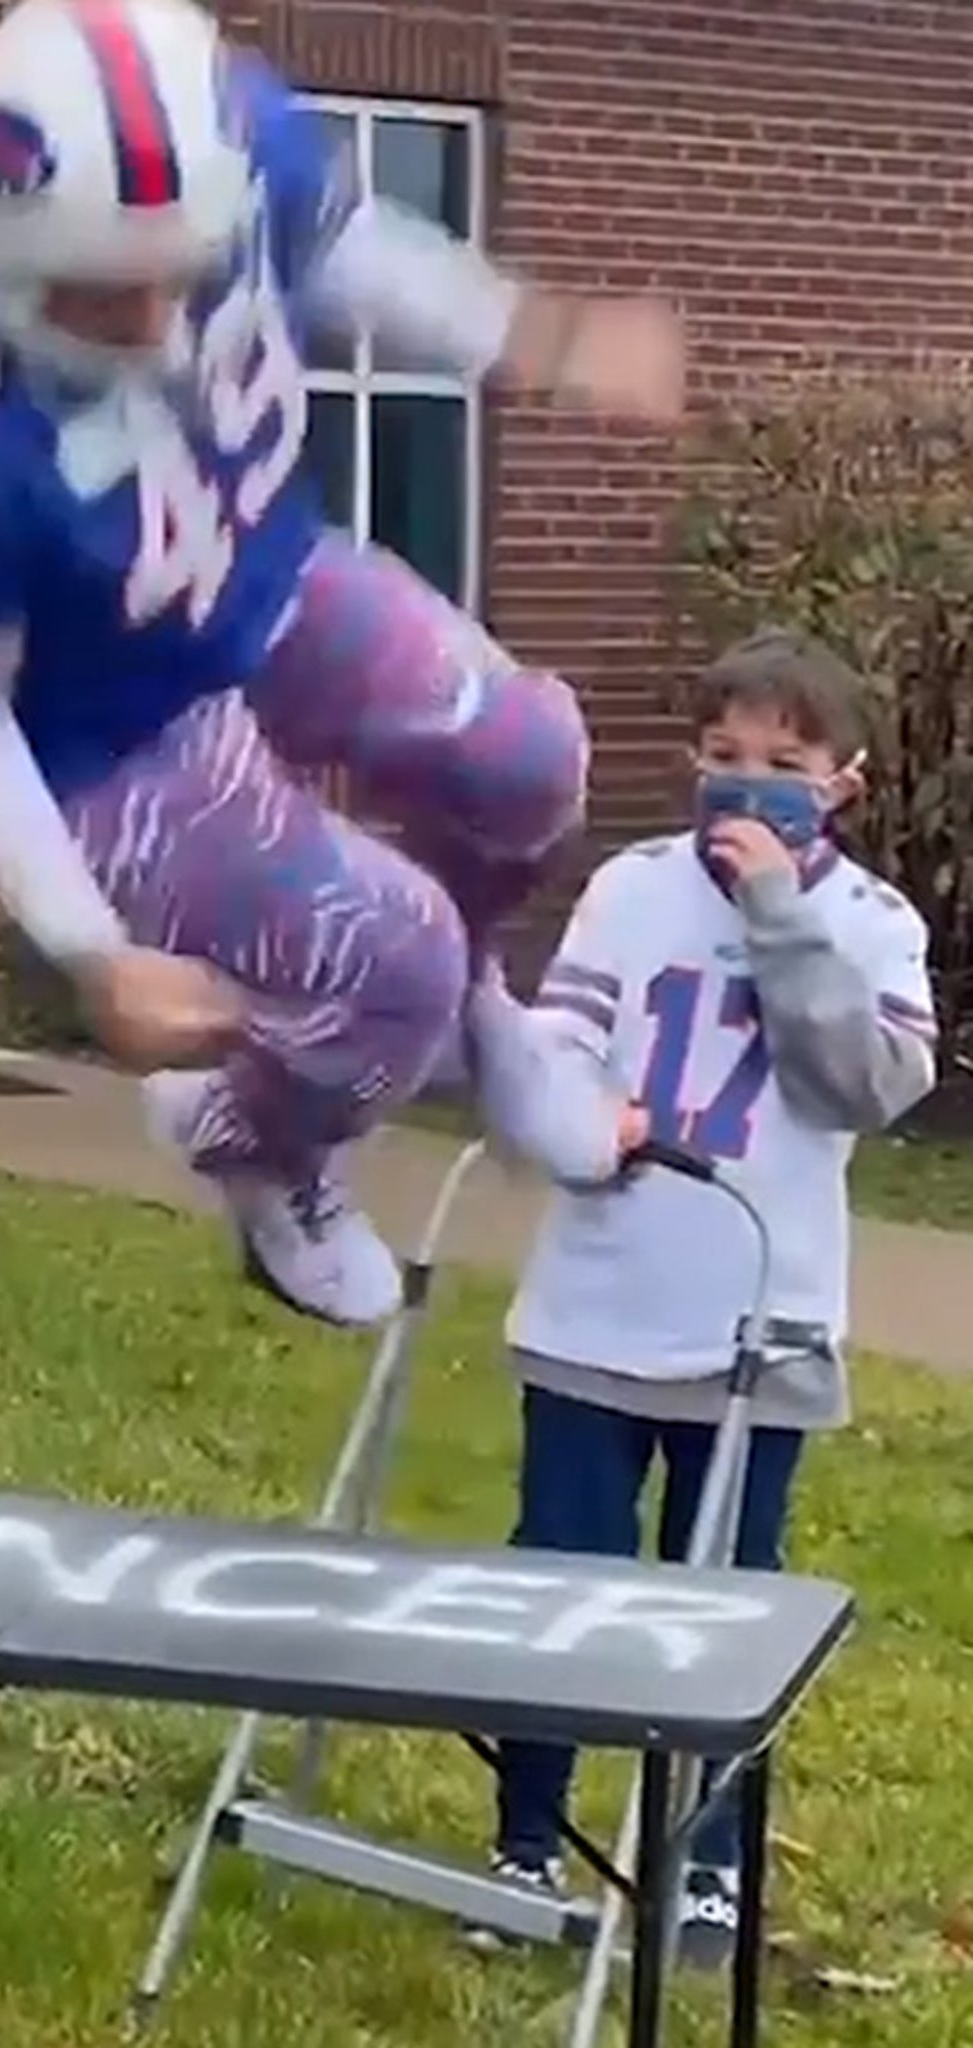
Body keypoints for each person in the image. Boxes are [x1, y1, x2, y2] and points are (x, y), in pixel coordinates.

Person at [0, 0, 685, 1330]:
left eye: (185, 270)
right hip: (107, 728)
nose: (160, 320)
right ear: (11, 238)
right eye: (110, 290)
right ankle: (264, 1149)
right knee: (392, 963)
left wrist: (533, 340)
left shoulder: (222, 128)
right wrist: (91, 956)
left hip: (260, 571)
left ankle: (484, 1014)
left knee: (527, 761)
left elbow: (342, 249)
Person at [462, 626, 938, 1961]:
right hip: (597, 1305)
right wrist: (570, 1105)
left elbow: (866, 1088)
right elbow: (563, 1037)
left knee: (723, 1606)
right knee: (559, 1579)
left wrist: (781, 917)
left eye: (782, 765)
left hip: (759, 1324)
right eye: (723, 759)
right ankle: (528, 1836)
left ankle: (708, 1865)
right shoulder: (629, 888)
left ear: (839, 782)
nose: (745, 788)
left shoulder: (871, 925)